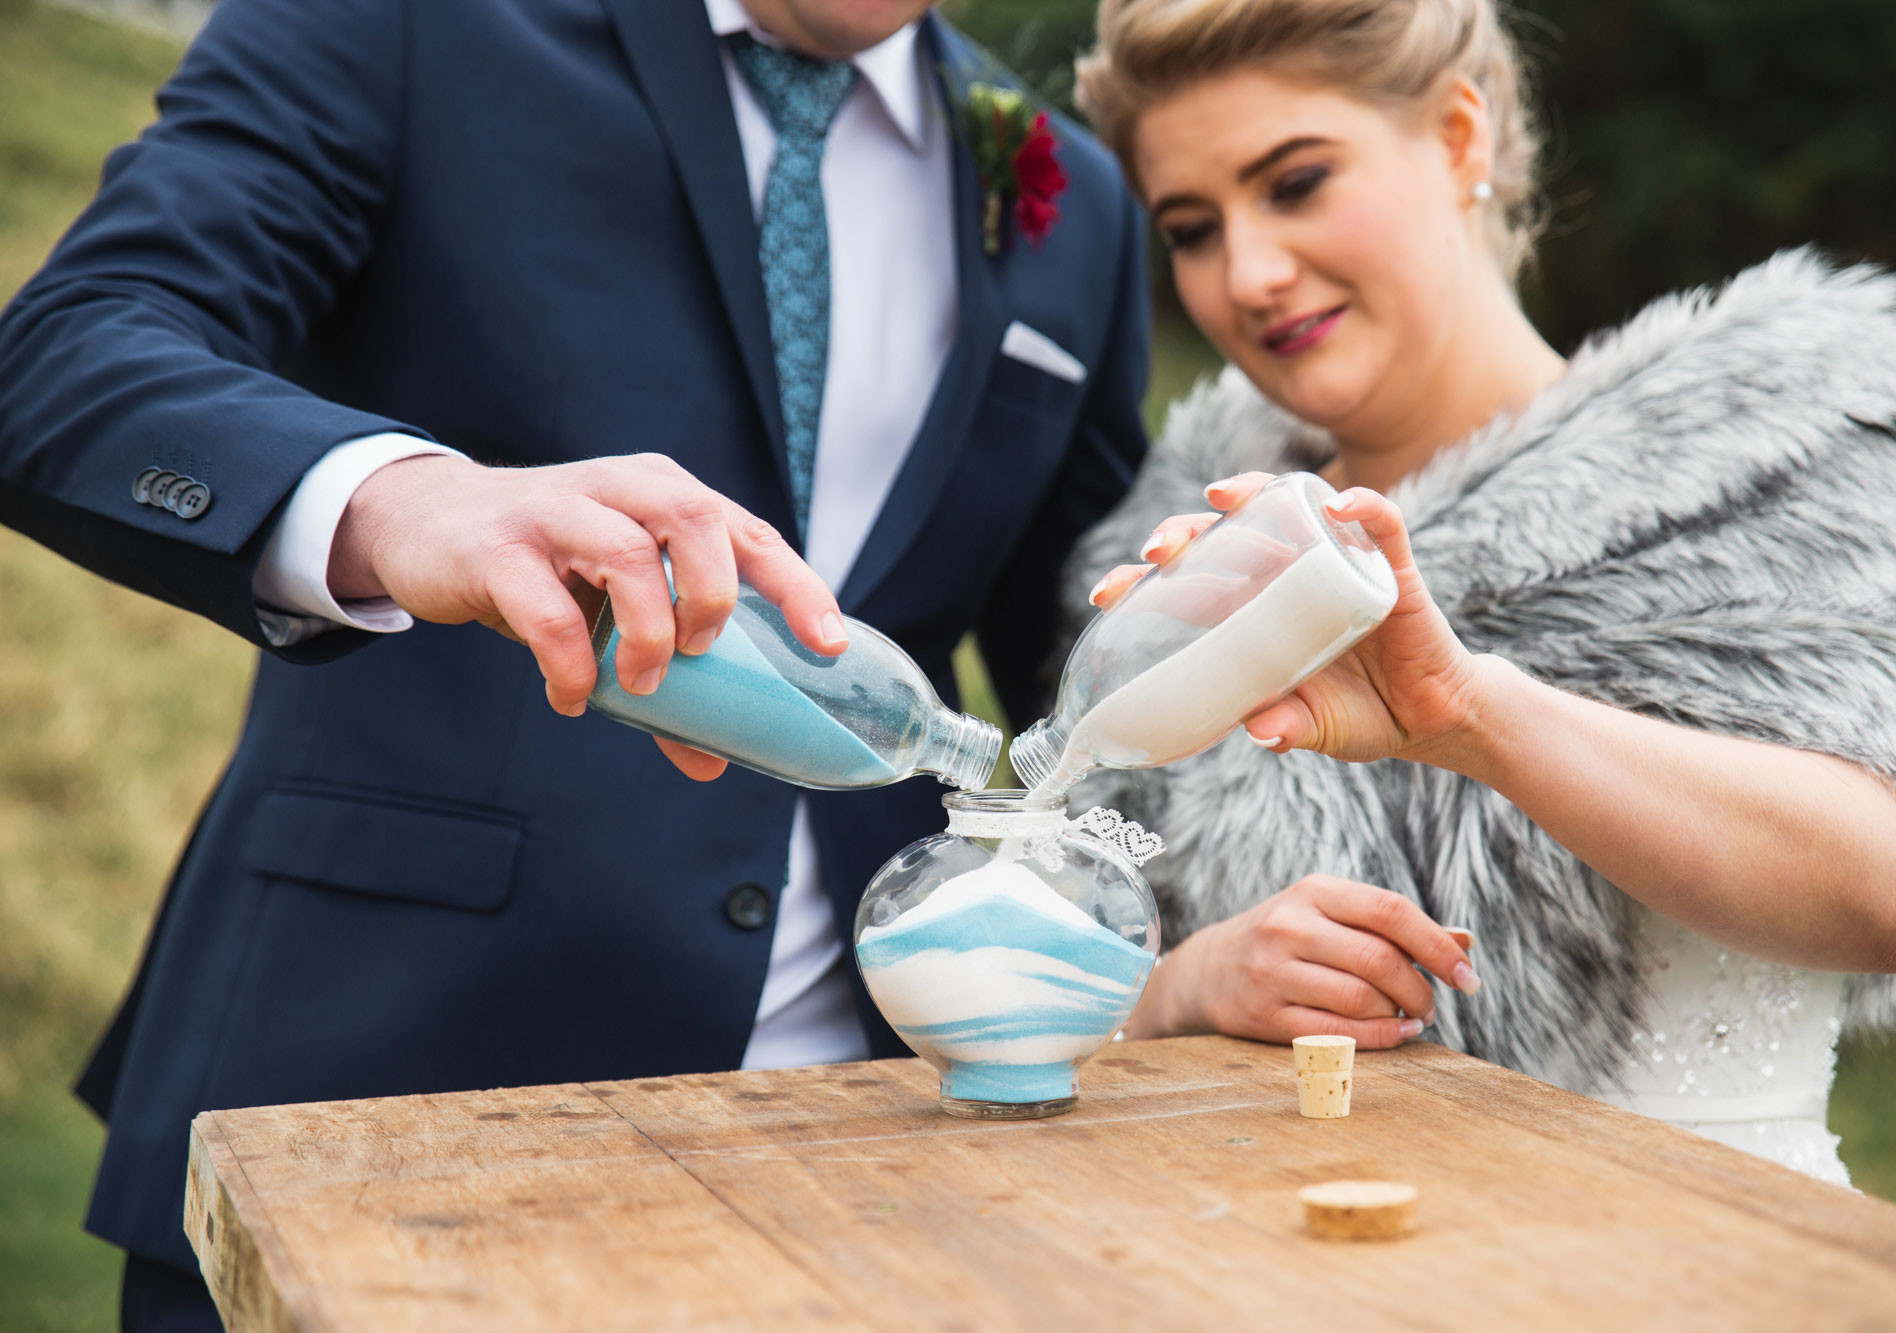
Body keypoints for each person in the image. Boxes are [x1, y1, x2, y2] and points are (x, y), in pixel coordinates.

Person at [0, 0, 1148, 1325]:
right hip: (381, 1115)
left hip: (873, 1166)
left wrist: (1201, 625)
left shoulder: (1073, 194)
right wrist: (406, 504)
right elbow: (68, 353)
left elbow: (1082, 673)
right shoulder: (409, 26)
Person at [1060, 0, 1896, 1185]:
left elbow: (1892, 888)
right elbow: (1044, 966)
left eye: (1294, 183)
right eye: (1191, 228)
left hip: (1691, 1247)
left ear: (1457, 138)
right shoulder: (1190, 554)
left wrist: (1471, 713)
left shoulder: (1775, 462)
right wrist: (1176, 990)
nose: (1246, 272)